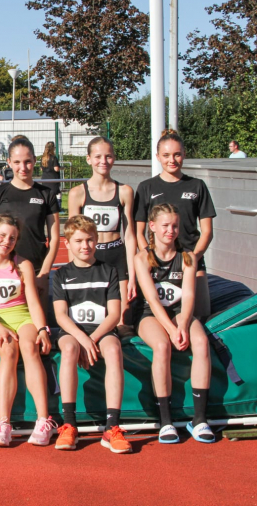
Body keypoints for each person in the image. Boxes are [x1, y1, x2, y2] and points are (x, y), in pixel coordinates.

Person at [0, 215, 55, 447]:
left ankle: (43, 421)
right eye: (2, 235)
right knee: (8, 351)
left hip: (23, 318)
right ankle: (3, 424)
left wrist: (42, 329)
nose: (7, 241)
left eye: (12, 238)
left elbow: (33, 303)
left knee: (29, 346)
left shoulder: (23, 265)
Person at [132, 203, 214, 444]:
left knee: (201, 341)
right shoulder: (142, 258)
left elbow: (188, 296)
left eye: (175, 226)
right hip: (149, 314)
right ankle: (165, 420)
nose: (171, 230)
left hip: (179, 312)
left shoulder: (187, 257)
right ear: (152, 226)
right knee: (162, 346)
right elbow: (151, 299)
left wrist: (183, 325)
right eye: (165, 225)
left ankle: (199, 419)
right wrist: (171, 329)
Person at [52, 216, 132, 453]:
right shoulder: (61, 274)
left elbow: (114, 314)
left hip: (102, 331)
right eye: (78, 241)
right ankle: (69, 424)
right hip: (73, 332)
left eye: (89, 240)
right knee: (69, 348)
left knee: (114, 349)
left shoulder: (109, 271)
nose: (85, 246)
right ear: (68, 244)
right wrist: (83, 339)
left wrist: (93, 339)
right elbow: (61, 316)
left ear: (97, 240)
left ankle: (112, 426)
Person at [134, 129, 216, 320]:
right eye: (166, 155)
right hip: (158, 267)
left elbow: (207, 232)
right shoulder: (146, 187)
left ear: (184, 154)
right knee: (157, 317)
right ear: (157, 157)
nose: (172, 160)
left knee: (202, 316)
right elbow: (139, 232)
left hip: (190, 262)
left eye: (177, 154)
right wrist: (151, 260)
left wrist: (192, 259)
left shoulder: (197, 186)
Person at [0, 137, 60, 312]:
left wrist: (44, 274)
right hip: (5, 272)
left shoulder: (46, 194)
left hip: (37, 269)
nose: (23, 167)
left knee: (39, 323)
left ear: (35, 160)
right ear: (9, 162)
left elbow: (55, 238)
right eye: (17, 162)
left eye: (27, 161)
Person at [68, 137, 137, 325]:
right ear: (89, 159)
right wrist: (73, 269)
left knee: (122, 319)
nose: (103, 161)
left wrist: (132, 275)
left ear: (114, 158)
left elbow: (130, 235)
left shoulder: (125, 191)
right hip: (90, 257)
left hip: (116, 256)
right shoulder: (77, 193)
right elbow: (73, 236)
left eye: (108, 156)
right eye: (98, 156)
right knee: (93, 314)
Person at [40, 141, 62, 209]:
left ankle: (46, 207)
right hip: (53, 178)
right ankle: (58, 207)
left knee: (46, 193)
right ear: (52, 148)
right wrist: (61, 168)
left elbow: (41, 169)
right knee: (57, 193)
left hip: (45, 178)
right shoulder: (53, 158)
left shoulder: (43, 158)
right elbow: (56, 169)